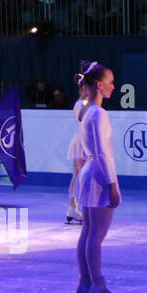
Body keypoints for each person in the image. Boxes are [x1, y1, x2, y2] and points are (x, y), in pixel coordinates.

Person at [73, 60, 125, 293]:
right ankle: (98, 286)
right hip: (98, 176)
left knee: (88, 233)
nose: (114, 87)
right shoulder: (98, 113)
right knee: (96, 235)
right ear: (99, 85)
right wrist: (112, 185)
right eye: (111, 82)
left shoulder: (87, 111)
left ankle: (85, 284)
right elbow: (104, 153)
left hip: (89, 174)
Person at [64, 91, 87, 225]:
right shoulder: (81, 104)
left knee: (78, 174)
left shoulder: (83, 103)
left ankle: (72, 207)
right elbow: (83, 126)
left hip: (81, 141)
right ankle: (81, 208)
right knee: (83, 175)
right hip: (82, 142)